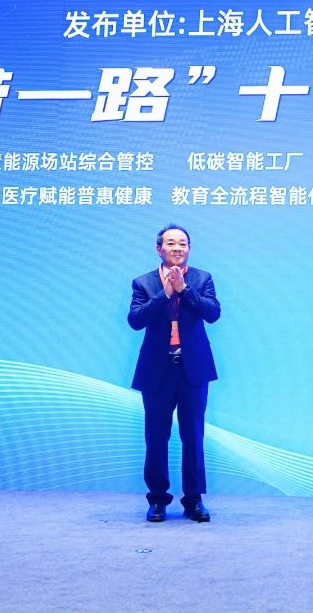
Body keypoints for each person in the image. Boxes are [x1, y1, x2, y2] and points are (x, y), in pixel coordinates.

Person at [127, 224, 222, 523]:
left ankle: (194, 500)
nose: (177, 248)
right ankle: (157, 500)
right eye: (171, 243)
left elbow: (213, 313)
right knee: (156, 436)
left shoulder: (202, 279)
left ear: (189, 249)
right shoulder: (143, 283)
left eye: (182, 243)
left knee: (193, 435)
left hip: (193, 369)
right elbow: (135, 320)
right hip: (157, 370)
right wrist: (165, 293)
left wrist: (184, 290)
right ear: (159, 249)